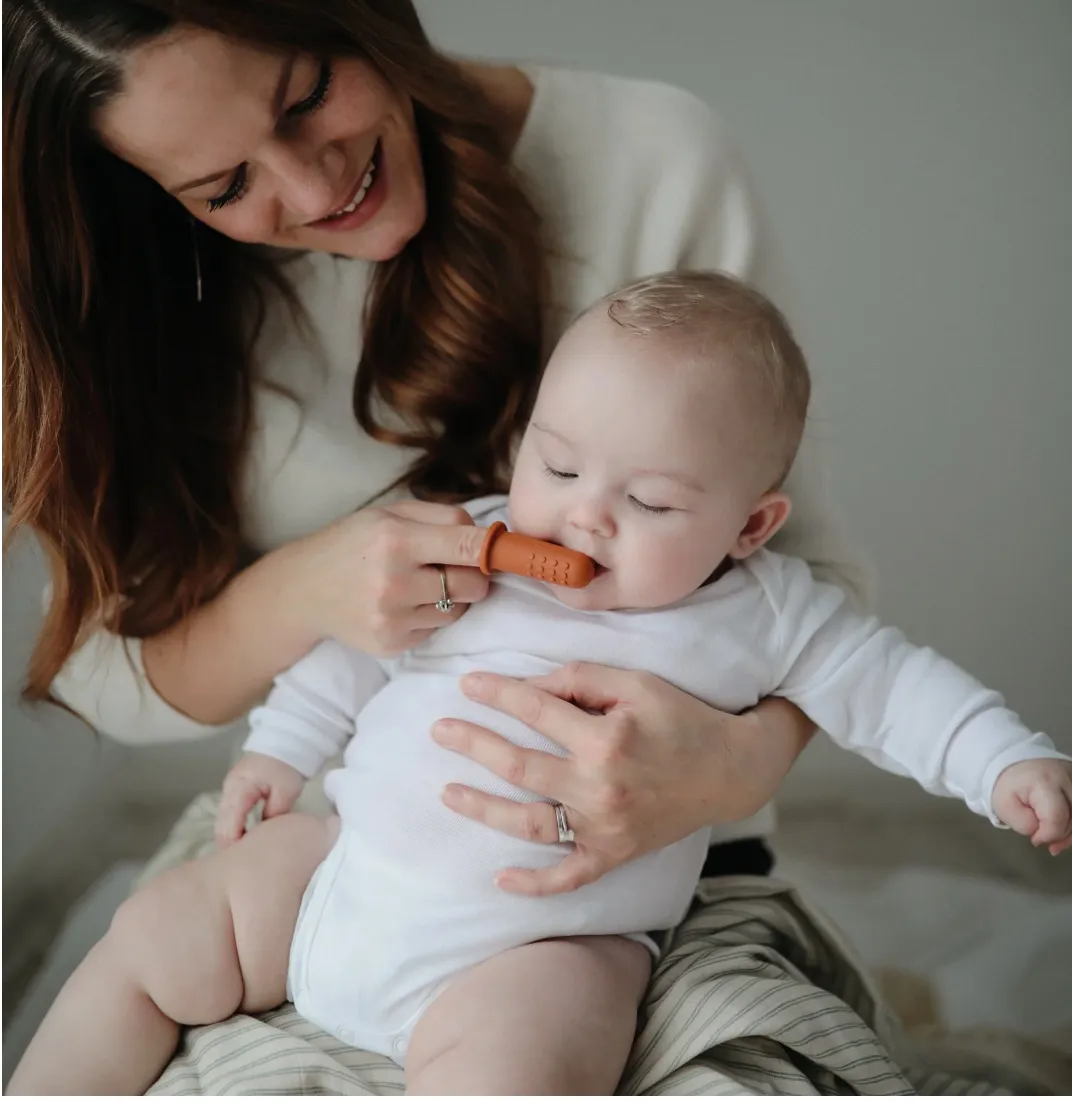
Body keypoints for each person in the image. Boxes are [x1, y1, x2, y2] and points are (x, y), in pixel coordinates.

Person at [4, 0, 870, 1094]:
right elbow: (104, 665)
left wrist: (726, 767)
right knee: (151, 967)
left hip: (628, 886)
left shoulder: (651, 161)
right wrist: (309, 591)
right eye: (225, 188)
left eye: (309, 94)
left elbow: (823, 602)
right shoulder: (135, 291)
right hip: (337, 836)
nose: (317, 189)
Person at [11, 271, 1071, 1096]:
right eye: (558, 466)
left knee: (516, 1071)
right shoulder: (471, 542)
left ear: (748, 526)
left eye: (649, 500)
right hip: (347, 870)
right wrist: (278, 750)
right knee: (153, 936)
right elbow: (347, 650)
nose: (581, 515)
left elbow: (895, 691)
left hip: (542, 944)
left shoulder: (770, 610)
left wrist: (1004, 762)